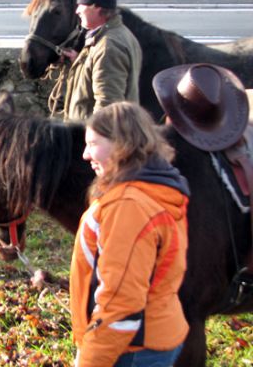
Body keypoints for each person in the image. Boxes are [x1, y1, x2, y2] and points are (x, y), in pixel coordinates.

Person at [71, 101, 190, 367]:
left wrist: (91, 359)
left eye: (93, 144)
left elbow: (121, 303)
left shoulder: (129, 206)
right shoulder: (153, 188)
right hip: (151, 337)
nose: (85, 155)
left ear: (121, 143)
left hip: (131, 349)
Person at [63, 0, 142, 121]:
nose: (77, 10)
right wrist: (81, 61)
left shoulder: (108, 47)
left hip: (96, 137)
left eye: (82, 5)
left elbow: (108, 108)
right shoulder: (118, 35)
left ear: (96, 7)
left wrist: (93, 140)